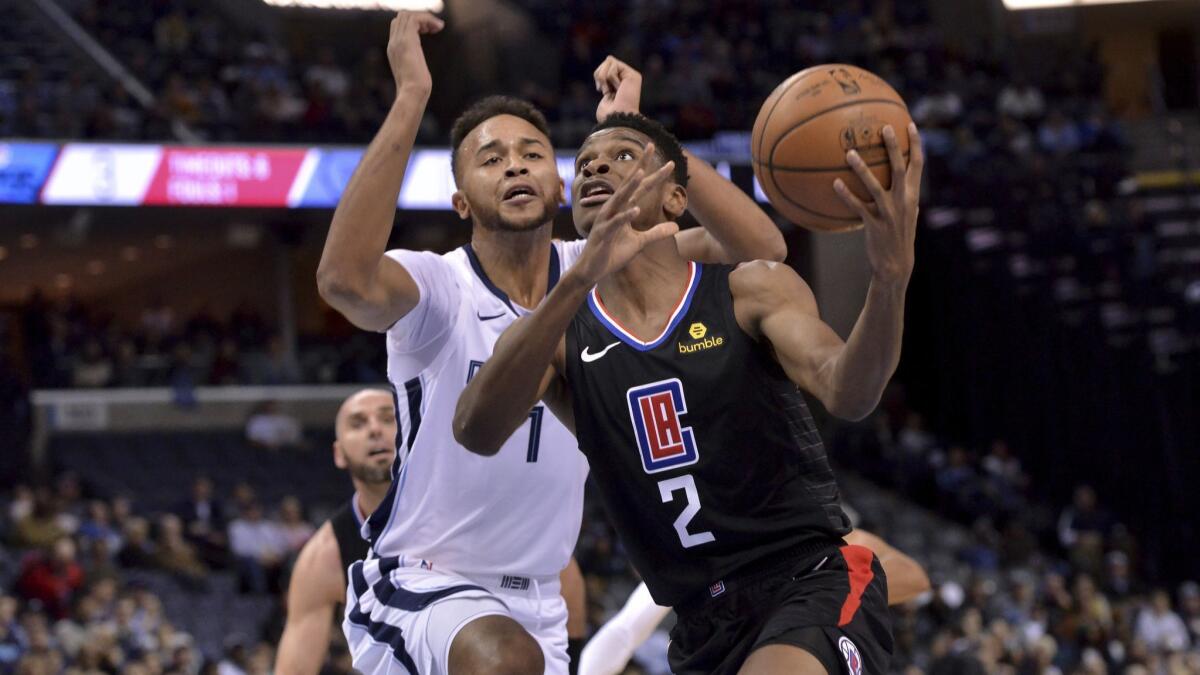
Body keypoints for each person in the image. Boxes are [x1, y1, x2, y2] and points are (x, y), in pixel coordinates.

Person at [315, 11, 784, 674]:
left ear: (559, 185)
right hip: (420, 583)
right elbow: (342, 280)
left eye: (532, 153)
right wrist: (411, 98)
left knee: (513, 654)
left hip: (536, 605)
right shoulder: (439, 285)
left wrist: (639, 138)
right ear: (460, 201)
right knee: (505, 659)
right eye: (491, 158)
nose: (515, 166)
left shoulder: (601, 263)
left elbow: (760, 248)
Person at [454, 108, 924, 673]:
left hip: (808, 580)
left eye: (625, 155)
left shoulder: (750, 289)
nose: (596, 164)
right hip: (699, 624)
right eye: (583, 164)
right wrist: (574, 280)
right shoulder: (558, 337)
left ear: (676, 200)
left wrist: (890, 279)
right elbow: (475, 431)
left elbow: (849, 393)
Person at [578, 529, 931, 675]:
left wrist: (828, 584)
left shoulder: (836, 544)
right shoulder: (719, 540)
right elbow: (629, 626)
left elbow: (915, 577)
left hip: (807, 625)